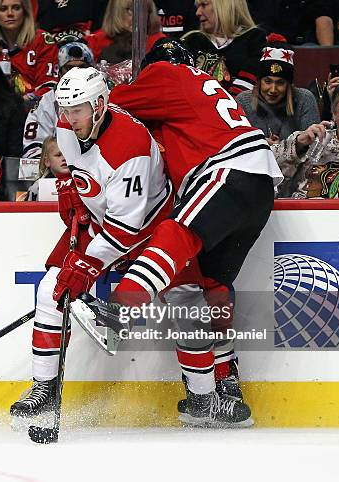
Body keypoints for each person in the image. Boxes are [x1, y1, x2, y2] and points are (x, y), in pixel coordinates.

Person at [69, 38, 283, 426]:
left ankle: (119, 311)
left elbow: (112, 103)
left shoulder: (167, 73)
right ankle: (223, 388)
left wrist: (112, 84)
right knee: (212, 284)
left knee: (176, 233)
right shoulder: (198, 92)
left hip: (226, 171)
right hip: (258, 183)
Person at [9, 67, 174, 421]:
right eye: (65, 110)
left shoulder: (130, 147)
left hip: (147, 226)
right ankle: (44, 389)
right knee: (49, 290)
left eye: (78, 109)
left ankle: (211, 391)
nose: (70, 118)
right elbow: (85, 172)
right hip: (104, 219)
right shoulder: (70, 125)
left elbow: (125, 228)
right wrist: (75, 191)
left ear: (100, 104)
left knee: (188, 298)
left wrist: (87, 265)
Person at [271, 80, 339, 199]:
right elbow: (266, 169)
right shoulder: (311, 140)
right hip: (298, 213)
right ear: (334, 112)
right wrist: (298, 145)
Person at [236, 35, 320, 145]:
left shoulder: (304, 99)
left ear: (289, 84)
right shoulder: (243, 101)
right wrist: (262, 144)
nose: (273, 89)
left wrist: (283, 149)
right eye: (267, 81)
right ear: (259, 81)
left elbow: (313, 146)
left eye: (280, 83)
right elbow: (235, 142)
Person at [22, 41, 95, 161]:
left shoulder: (105, 97)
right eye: (69, 68)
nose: (75, 73)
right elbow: (32, 150)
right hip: (58, 173)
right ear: (60, 73)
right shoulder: (47, 102)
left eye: (82, 68)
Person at [182, 0, 266, 96]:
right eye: (197, 7)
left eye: (204, 5)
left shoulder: (255, 39)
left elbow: (252, 81)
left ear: (225, 6)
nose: (198, 12)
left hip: (237, 107)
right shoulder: (191, 40)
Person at [0, 0, 58, 100]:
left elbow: (49, 87)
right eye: (3, 9)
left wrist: (24, 100)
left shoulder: (42, 40)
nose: (10, 14)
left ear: (25, 12)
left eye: (16, 8)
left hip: (36, 108)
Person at [86, 0, 164, 63]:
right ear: (116, 12)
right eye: (131, 11)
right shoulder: (95, 41)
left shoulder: (160, 43)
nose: (140, 17)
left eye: (145, 10)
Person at [25, 135, 69, 201]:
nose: (64, 158)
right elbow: (28, 209)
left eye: (67, 154)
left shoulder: (82, 184)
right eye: (58, 155)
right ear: (47, 161)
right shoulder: (37, 188)